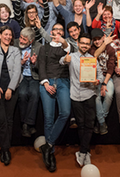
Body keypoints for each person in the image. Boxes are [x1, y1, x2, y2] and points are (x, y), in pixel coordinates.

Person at [61, 33, 100, 167]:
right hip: (75, 95)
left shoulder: (92, 59)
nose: (84, 46)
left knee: (89, 124)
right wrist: (65, 60)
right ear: (78, 43)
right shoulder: (72, 57)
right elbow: (62, 61)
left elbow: (99, 74)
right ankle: (85, 151)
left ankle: (83, 152)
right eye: (82, 43)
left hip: (89, 93)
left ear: (90, 46)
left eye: (87, 44)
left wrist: (97, 81)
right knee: (81, 124)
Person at [0, 26, 22, 166]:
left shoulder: (15, 51)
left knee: (9, 119)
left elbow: (17, 71)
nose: (8, 37)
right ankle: (5, 149)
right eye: (5, 34)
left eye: (10, 35)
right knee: (1, 120)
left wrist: (10, 89)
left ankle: (6, 147)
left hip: (11, 88)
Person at [38, 24, 70, 172]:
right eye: (55, 30)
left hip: (63, 82)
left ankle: (48, 144)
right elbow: (41, 67)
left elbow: (68, 51)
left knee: (65, 113)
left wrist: (63, 41)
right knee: (48, 118)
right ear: (51, 32)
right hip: (47, 82)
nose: (58, 32)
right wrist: (45, 83)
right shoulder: (44, 48)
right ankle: (50, 154)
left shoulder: (66, 46)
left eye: (60, 30)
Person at [88, 29, 115, 135]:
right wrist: (105, 43)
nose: (97, 42)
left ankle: (99, 121)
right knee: (97, 96)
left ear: (103, 37)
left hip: (107, 77)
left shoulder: (111, 49)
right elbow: (94, 55)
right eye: (95, 40)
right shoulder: (91, 49)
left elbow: (111, 68)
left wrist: (105, 83)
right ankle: (102, 122)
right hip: (94, 78)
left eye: (99, 39)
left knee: (109, 94)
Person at [16, 27, 41, 137]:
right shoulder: (15, 44)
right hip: (21, 76)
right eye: (21, 37)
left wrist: (34, 63)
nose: (21, 41)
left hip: (34, 76)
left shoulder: (39, 47)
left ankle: (27, 124)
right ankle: (26, 124)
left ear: (31, 41)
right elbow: (10, 64)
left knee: (34, 94)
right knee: (22, 94)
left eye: (24, 39)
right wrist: (21, 62)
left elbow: (42, 67)